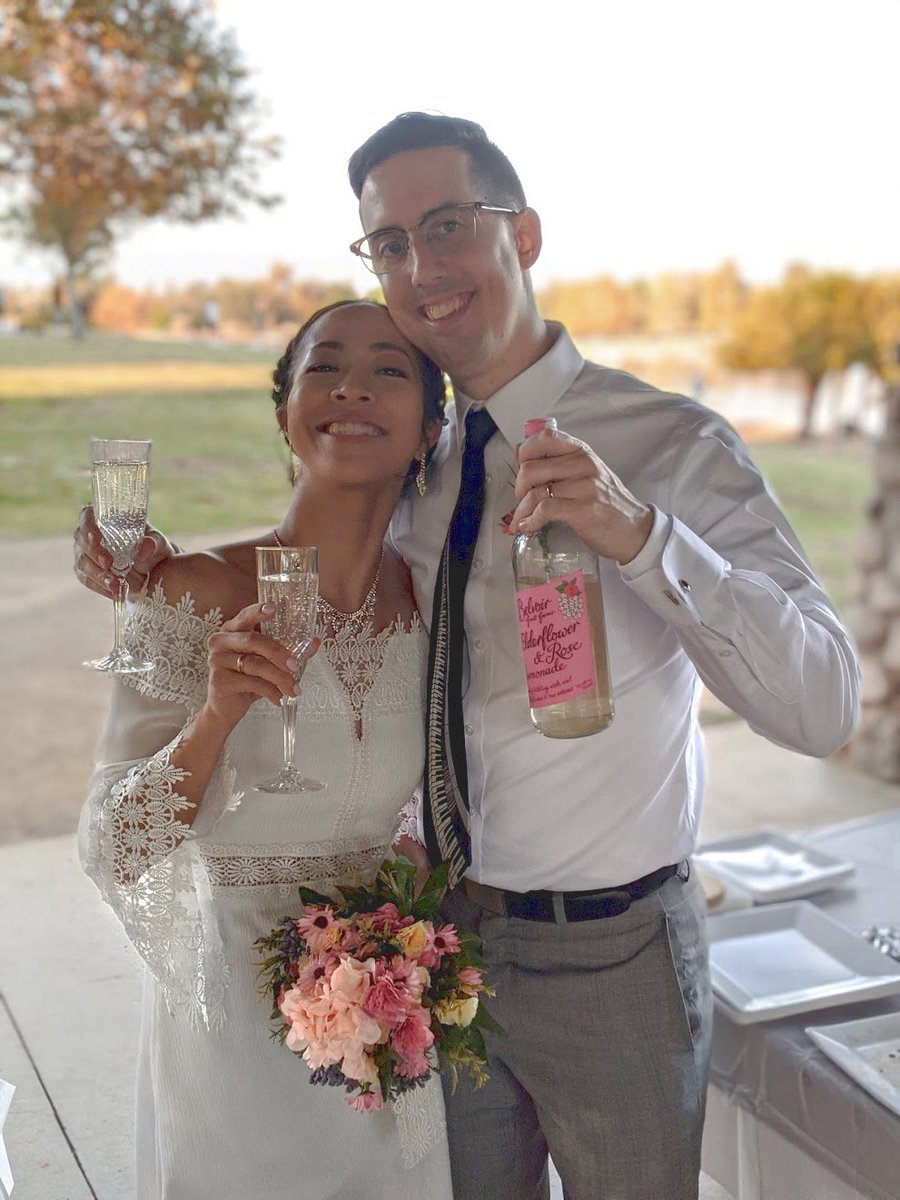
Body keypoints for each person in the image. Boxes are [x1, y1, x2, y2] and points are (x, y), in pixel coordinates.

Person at [75, 114, 861, 1200]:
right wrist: (164, 580)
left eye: (446, 226)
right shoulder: (425, 473)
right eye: (389, 244)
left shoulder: (674, 446)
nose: (420, 267)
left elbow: (825, 706)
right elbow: (320, 543)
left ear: (524, 234)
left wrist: (644, 538)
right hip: (436, 953)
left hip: (613, 956)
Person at [78, 299, 454, 1199]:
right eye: (323, 366)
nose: (352, 386)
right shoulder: (191, 591)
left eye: (389, 369)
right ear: (286, 414)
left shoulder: (438, 601)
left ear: (429, 431)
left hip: (385, 1024)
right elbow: (113, 843)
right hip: (233, 1029)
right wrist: (215, 716)